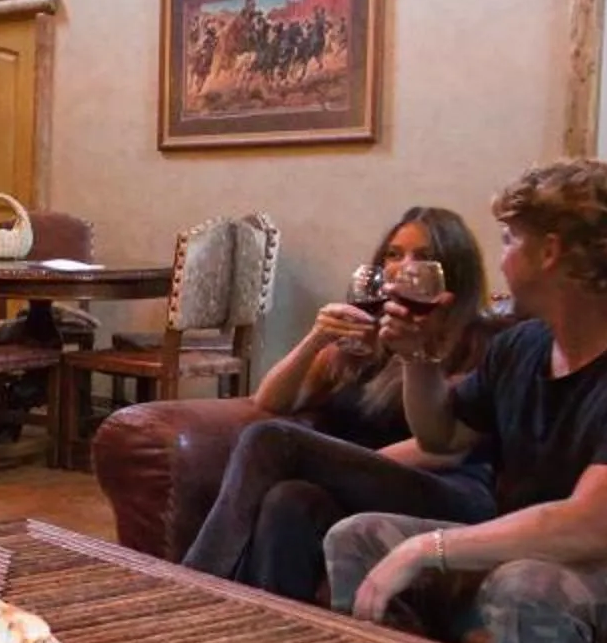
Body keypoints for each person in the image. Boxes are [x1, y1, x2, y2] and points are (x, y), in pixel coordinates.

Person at [323, 159, 607, 643]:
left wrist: (427, 549)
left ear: (549, 252)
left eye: (508, 240)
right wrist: (418, 356)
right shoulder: (523, 346)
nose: (499, 261)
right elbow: (442, 438)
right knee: (358, 536)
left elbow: (589, 528)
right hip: (538, 560)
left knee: (529, 585)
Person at [180, 207, 499, 601]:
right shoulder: (370, 337)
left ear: (452, 270)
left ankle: (192, 587)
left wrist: (335, 466)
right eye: (394, 255)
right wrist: (316, 338)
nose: (403, 267)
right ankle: (266, 627)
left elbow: (444, 448)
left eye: (422, 256)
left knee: (270, 439)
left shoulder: (481, 341)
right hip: (365, 485)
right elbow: (271, 399)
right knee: (290, 500)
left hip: (448, 489)